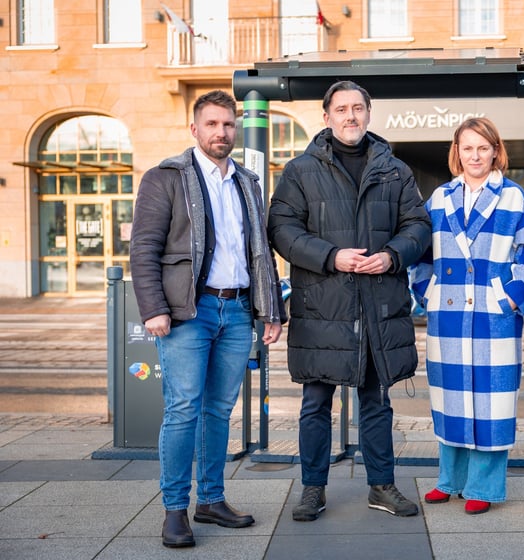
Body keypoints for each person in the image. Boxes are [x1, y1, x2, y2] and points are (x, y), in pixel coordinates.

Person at [267, 80, 431, 522]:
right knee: (315, 405)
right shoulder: (300, 171)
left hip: (377, 306)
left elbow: (418, 225)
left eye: (358, 108)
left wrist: (392, 255)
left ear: (368, 114)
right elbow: (282, 229)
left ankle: (382, 485)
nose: (350, 116)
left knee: (376, 403)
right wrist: (331, 256)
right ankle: (312, 489)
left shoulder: (395, 170)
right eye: (341, 109)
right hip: (323, 307)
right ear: (327, 117)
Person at [130, 90, 287, 548]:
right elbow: (144, 248)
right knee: (183, 409)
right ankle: (175, 509)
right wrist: (154, 308)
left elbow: (260, 252)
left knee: (218, 410)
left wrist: (270, 310)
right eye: (212, 124)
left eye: (228, 124)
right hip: (188, 312)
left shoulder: (247, 182)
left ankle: (212, 500)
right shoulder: (166, 177)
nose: (221, 132)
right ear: (194, 129)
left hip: (236, 311)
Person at [410, 117, 524, 515]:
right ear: (457, 152)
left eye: (483, 148)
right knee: (450, 397)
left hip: (493, 316)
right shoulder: (439, 198)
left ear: (495, 151)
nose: (475, 156)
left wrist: (509, 301)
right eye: (467, 148)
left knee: (491, 401)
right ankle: (449, 481)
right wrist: (428, 293)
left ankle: (484, 486)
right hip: (448, 316)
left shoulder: (515, 199)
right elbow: (420, 256)